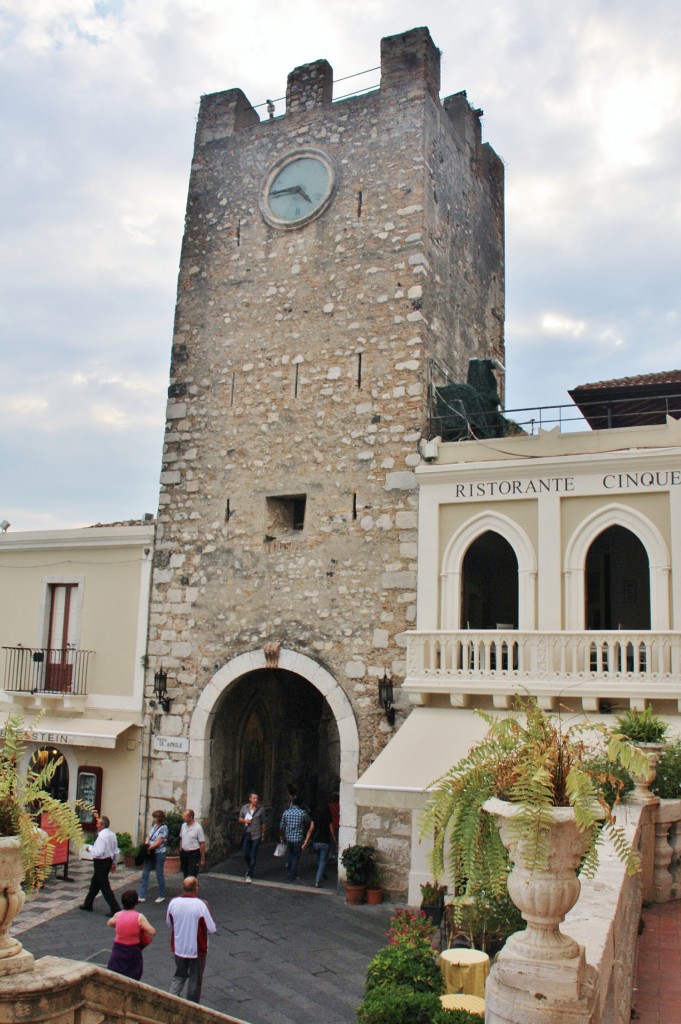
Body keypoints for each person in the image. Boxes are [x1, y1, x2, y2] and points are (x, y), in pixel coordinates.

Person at [166, 875, 217, 1004]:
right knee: (195, 978)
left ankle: (171, 999)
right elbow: (211, 928)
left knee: (179, 975)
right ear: (196, 888)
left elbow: (169, 923)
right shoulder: (201, 905)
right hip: (197, 949)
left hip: (179, 946)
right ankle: (191, 1006)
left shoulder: (173, 903)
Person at [106, 889, 156, 980]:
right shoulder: (139, 917)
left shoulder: (118, 915)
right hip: (133, 951)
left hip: (118, 949)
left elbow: (109, 923)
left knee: (115, 974)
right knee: (133, 975)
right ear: (136, 903)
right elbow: (152, 931)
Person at [80, 815, 121, 915]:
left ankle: (115, 908)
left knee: (104, 886)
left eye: (98, 823)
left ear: (102, 825)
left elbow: (98, 852)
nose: (96, 824)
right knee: (95, 883)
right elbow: (115, 850)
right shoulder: (112, 834)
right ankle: (88, 904)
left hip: (100, 862)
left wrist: (89, 849)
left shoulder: (101, 836)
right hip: (108, 861)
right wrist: (114, 863)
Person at [302, 801, 336, 888]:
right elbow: (332, 832)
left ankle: (322, 874)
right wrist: (335, 842)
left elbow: (310, 830)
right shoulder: (328, 818)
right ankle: (317, 881)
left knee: (319, 860)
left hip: (316, 842)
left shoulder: (315, 818)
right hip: (325, 842)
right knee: (322, 861)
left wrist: (305, 842)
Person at [138, 809, 168, 904]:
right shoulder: (154, 826)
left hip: (159, 853)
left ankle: (161, 894)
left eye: (154, 817)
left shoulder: (164, 828)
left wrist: (148, 848)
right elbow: (149, 836)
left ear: (158, 818)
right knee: (145, 873)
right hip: (151, 851)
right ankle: (142, 895)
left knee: (159, 874)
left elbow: (159, 842)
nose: (153, 819)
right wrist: (147, 845)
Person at [279, 797, 310, 883]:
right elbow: (308, 822)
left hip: (288, 837)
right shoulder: (302, 813)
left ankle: (289, 872)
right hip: (298, 838)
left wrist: (282, 834)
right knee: (296, 856)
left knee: (290, 854)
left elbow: (281, 826)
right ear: (300, 805)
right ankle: (293, 875)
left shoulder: (286, 812)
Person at [238, 792, 266, 882]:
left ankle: (249, 874)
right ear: (250, 799)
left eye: (257, 798)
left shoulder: (261, 809)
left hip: (256, 834)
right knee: (245, 853)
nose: (256, 800)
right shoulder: (244, 808)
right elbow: (240, 819)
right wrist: (245, 820)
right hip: (247, 833)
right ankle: (250, 865)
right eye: (254, 798)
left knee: (253, 855)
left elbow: (263, 822)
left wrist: (262, 835)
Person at [179, 809, 206, 878]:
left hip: (193, 853)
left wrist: (202, 858)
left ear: (190, 817)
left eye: (185, 816)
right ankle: (187, 887)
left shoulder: (198, 828)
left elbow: (202, 843)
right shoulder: (183, 826)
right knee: (185, 873)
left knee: (192, 873)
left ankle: (193, 886)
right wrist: (180, 848)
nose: (183, 818)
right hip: (184, 853)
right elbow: (181, 837)